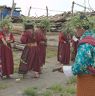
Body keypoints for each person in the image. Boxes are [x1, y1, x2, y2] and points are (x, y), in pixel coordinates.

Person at [53, 15, 95, 96]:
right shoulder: (93, 38)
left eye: (76, 28)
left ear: (81, 28)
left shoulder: (86, 43)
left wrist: (65, 69)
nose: (75, 31)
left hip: (88, 79)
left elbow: (80, 66)